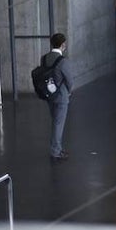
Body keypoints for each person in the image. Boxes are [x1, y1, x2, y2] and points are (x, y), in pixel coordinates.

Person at [42, 33, 73, 162]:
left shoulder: (44, 58)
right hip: (61, 96)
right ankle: (56, 151)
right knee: (58, 124)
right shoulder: (62, 61)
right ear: (62, 45)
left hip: (49, 94)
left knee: (55, 122)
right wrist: (69, 91)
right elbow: (69, 80)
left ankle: (58, 148)